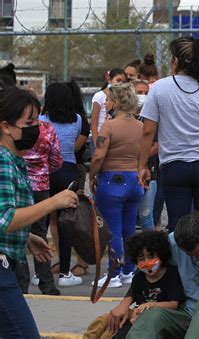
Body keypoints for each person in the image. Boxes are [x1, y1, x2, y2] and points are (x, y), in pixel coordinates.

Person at [0, 87, 78, 338]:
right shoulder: (3, 160)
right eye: (29, 122)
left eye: (37, 121)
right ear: (6, 127)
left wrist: (27, 237)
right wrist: (53, 202)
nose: (37, 129)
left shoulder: (13, 159)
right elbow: (6, 218)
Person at [138, 37, 199, 232]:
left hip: (174, 165)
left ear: (175, 61)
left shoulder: (159, 89)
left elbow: (147, 130)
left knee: (178, 225)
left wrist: (142, 165)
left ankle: (180, 262)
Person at [89, 83, 144, 288]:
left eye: (110, 100)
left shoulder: (109, 126)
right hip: (134, 181)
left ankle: (113, 272)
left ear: (117, 102)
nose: (107, 104)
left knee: (112, 229)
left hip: (112, 180)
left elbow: (98, 156)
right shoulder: (140, 126)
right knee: (129, 228)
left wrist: (92, 177)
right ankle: (129, 269)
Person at [83, 230, 186, 339]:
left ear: (161, 254)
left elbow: (174, 304)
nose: (146, 262)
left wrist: (150, 305)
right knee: (104, 321)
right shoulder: (139, 278)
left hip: (161, 317)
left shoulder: (172, 275)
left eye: (151, 256)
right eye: (141, 259)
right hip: (137, 315)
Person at [40, 82, 85, 287]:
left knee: (41, 221)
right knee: (65, 222)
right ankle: (65, 272)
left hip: (46, 170)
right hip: (68, 170)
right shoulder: (77, 120)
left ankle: (41, 272)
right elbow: (75, 145)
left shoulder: (40, 120)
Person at [14, 118, 63, 296]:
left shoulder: (13, 127)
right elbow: (57, 159)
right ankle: (47, 283)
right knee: (40, 234)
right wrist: (42, 169)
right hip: (41, 185)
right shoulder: (47, 128)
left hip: (19, 184)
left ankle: (21, 284)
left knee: (19, 234)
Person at [67, 80, 91, 277]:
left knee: (76, 217)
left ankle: (82, 261)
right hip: (74, 167)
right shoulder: (79, 119)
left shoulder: (79, 119)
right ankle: (70, 260)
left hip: (75, 167)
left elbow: (75, 148)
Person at [132, 79, 158, 231]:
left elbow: (157, 146)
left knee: (146, 215)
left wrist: (139, 157)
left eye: (146, 93)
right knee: (128, 215)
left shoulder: (153, 117)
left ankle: (151, 252)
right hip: (127, 172)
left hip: (150, 173)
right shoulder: (122, 116)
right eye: (139, 92)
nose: (143, 96)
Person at [90, 68, 126, 154]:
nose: (121, 83)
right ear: (109, 80)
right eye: (118, 80)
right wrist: (96, 145)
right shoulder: (99, 96)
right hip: (100, 135)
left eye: (123, 82)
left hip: (114, 138)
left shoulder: (123, 97)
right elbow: (93, 125)